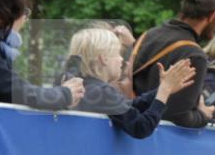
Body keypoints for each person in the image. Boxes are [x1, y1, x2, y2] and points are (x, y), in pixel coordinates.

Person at [131, 0, 215, 127]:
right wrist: (203, 115)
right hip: (158, 144)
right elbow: (179, 117)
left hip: (128, 132)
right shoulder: (194, 55)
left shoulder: (147, 35)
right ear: (213, 14)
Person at [66, 28, 196, 138]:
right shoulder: (102, 92)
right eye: (117, 54)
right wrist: (164, 92)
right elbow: (141, 127)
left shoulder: (81, 87)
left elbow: (129, 106)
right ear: (104, 59)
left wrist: (163, 89)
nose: (121, 59)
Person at [0, 0, 84, 109]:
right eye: (25, 12)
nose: (25, 20)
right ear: (7, 14)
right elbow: (20, 93)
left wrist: (58, 93)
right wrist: (65, 94)